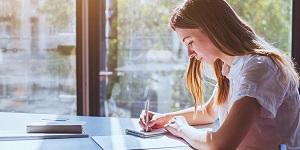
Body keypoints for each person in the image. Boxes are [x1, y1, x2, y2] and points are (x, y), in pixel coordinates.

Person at [139, 0, 300, 149]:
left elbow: (221, 144)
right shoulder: (231, 68)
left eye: (190, 42)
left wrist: (182, 129)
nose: (189, 53)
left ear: (212, 28)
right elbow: (208, 113)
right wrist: (164, 119)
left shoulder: (259, 69)